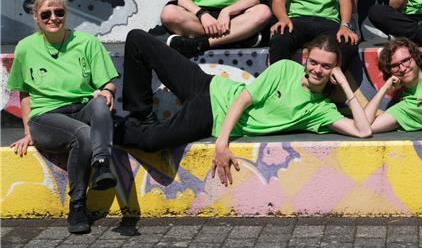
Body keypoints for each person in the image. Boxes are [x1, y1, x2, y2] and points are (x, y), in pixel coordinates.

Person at [117, 30, 372, 186]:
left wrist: (345, 86)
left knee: (152, 142)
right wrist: (222, 143)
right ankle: (141, 114)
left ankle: (110, 127)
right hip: (211, 86)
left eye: (326, 66)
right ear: (306, 59)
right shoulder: (285, 68)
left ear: (335, 70)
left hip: (211, 112)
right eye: (314, 62)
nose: (317, 70)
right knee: (138, 40)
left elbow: (362, 131)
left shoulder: (320, 110)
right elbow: (242, 99)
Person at [8, 0, 118, 234]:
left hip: (80, 108)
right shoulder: (25, 47)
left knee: (100, 103)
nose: (53, 18)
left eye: (59, 12)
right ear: (36, 17)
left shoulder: (87, 43)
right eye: (46, 14)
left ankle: (101, 164)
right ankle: (77, 205)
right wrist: (27, 132)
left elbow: (108, 83)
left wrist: (107, 91)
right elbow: (24, 93)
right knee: (83, 134)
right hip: (45, 117)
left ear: (66, 14)